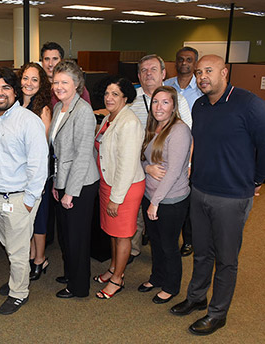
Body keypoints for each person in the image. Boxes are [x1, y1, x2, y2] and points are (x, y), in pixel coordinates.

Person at [171, 55, 265, 336]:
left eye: (208, 71)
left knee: (226, 258)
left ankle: (217, 313)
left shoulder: (248, 104)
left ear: (224, 72)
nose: (202, 77)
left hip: (232, 196)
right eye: (199, 72)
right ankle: (197, 296)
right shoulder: (199, 105)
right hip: (200, 190)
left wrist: (258, 179)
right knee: (202, 252)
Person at [0, 67, 48, 314]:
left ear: (16, 91)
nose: (0, 93)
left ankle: (19, 293)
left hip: (20, 197)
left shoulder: (28, 121)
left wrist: (31, 199)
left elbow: (38, 163)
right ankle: (16, 280)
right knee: (9, 244)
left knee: (19, 249)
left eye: (6, 88)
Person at [128, 54, 192, 263]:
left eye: (153, 69)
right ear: (138, 75)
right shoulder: (132, 99)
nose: (148, 74)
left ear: (163, 73)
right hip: (141, 171)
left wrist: (187, 166)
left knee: (166, 239)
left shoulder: (178, 101)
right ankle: (134, 251)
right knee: (139, 219)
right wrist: (144, 167)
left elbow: (186, 140)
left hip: (169, 183)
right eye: (144, 70)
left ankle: (168, 281)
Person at [49, 60, 99, 299]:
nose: (59, 86)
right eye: (56, 82)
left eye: (64, 82)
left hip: (81, 184)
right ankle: (71, 273)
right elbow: (59, 151)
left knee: (77, 237)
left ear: (77, 84)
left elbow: (82, 155)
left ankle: (79, 287)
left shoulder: (84, 111)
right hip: (63, 180)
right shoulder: (59, 108)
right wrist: (57, 183)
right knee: (66, 235)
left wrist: (71, 191)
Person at [138, 86, 192, 304]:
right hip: (150, 195)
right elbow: (142, 158)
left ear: (174, 106)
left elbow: (174, 171)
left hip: (170, 200)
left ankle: (172, 286)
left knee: (169, 245)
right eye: (155, 102)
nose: (159, 107)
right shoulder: (154, 127)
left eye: (165, 102)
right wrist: (147, 168)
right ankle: (157, 277)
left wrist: (156, 203)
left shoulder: (179, 131)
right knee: (156, 243)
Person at [94, 76, 145, 300]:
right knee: (112, 233)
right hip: (108, 183)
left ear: (125, 97)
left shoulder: (129, 122)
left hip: (124, 188)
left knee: (122, 235)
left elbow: (127, 164)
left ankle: (118, 279)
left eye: (115, 94)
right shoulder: (110, 118)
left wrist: (116, 197)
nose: (109, 98)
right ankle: (114, 268)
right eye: (107, 93)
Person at [164, 47, 203, 258]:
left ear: (194, 63)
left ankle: (188, 239)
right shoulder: (167, 85)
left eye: (189, 60)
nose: (184, 63)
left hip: (192, 147)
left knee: (187, 194)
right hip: (166, 146)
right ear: (175, 62)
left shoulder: (201, 88)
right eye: (180, 59)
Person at [18, 62, 52, 280]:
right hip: (18, 174)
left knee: (39, 217)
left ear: (41, 84)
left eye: (34, 80)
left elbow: (42, 144)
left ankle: (40, 258)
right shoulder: (15, 105)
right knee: (25, 216)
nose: (28, 83)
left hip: (36, 173)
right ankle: (31, 254)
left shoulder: (43, 109)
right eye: (25, 78)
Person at [40, 41, 91, 108]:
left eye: (55, 59)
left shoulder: (75, 87)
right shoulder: (37, 85)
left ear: (61, 61)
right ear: (42, 62)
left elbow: (85, 112)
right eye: (47, 59)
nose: (50, 64)